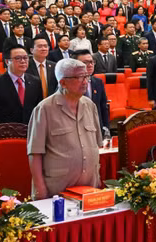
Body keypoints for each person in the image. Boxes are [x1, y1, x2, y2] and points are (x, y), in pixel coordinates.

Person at [27, 59, 103, 199]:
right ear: (62, 82)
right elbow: (35, 153)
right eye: (79, 77)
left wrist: (97, 179)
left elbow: (96, 145)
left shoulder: (90, 105)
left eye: (86, 76)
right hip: (57, 191)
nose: (85, 82)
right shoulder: (44, 109)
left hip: (89, 189)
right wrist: (40, 189)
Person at [0, 46, 43, 130]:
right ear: (7, 61)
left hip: (30, 132)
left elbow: (39, 111)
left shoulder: (35, 82)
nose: (23, 61)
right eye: (18, 58)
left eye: (25, 58)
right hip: (4, 134)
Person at [71, 49, 110, 134]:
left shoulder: (98, 82)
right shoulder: (69, 84)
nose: (90, 65)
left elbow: (103, 107)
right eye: (85, 63)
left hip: (96, 127)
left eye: (92, 62)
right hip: (76, 129)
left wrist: (106, 127)